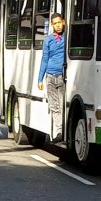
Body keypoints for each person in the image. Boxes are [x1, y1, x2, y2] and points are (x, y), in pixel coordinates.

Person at [37, 14, 66, 144]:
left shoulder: (67, 38)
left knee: (63, 104)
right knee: (54, 106)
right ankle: (59, 132)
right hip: (50, 76)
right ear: (52, 25)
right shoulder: (48, 40)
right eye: (55, 23)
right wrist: (40, 79)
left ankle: (63, 132)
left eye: (59, 22)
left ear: (63, 22)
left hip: (63, 76)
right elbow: (44, 59)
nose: (58, 25)